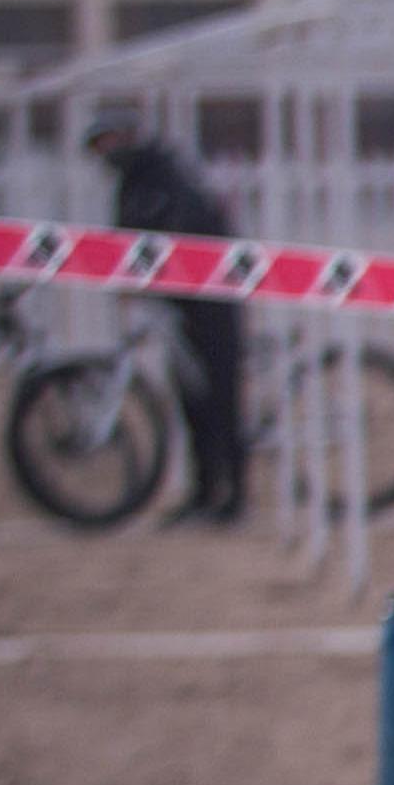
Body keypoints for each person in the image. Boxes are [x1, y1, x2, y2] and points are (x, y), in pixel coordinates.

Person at [84, 112, 243, 525]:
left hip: (210, 300)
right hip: (177, 303)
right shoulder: (135, 179)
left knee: (220, 398)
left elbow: (184, 228)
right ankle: (205, 492)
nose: (106, 154)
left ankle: (233, 495)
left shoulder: (167, 174)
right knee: (191, 400)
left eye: (109, 141)